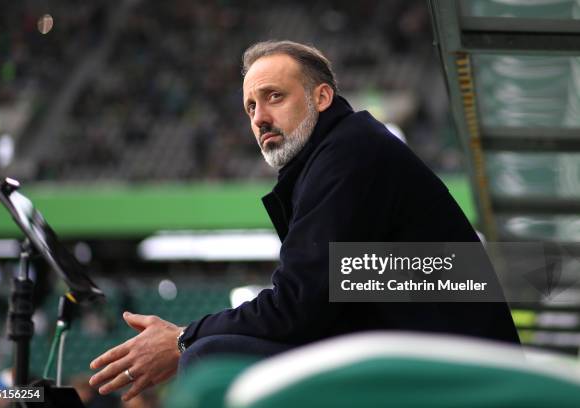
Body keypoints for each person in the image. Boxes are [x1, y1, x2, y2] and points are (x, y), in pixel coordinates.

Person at [89, 40, 520, 402]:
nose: (259, 117)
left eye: (275, 96)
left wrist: (184, 337)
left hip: (450, 374)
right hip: (430, 355)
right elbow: (315, 305)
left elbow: (297, 307)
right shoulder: (339, 155)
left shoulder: (349, 154)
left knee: (210, 355)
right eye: (250, 106)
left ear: (321, 97)